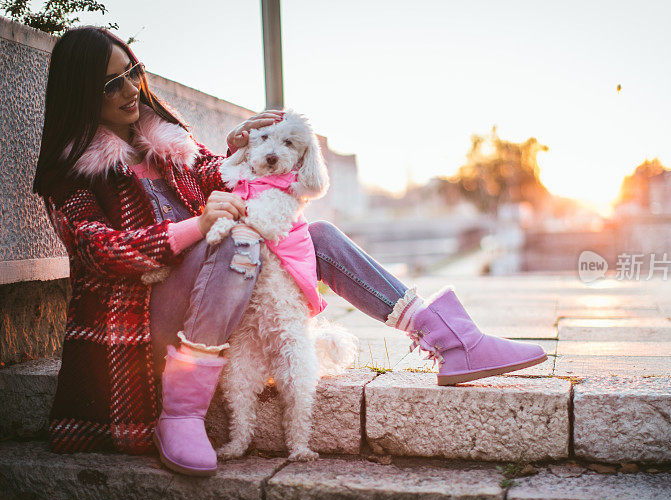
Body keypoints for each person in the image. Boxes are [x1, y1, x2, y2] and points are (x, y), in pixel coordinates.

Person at [33, 26, 548, 476]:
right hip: (148, 322)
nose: (130, 90)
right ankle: (182, 411)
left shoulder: (165, 143)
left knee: (315, 235)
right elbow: (101, 250)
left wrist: (238, 144)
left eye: (133, 71)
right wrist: (197, 225)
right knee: (240, 240)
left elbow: (223, 177)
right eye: (110, 83)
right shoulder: (73, 175)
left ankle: (447, 336)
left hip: (219, 284)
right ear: (81, 95)